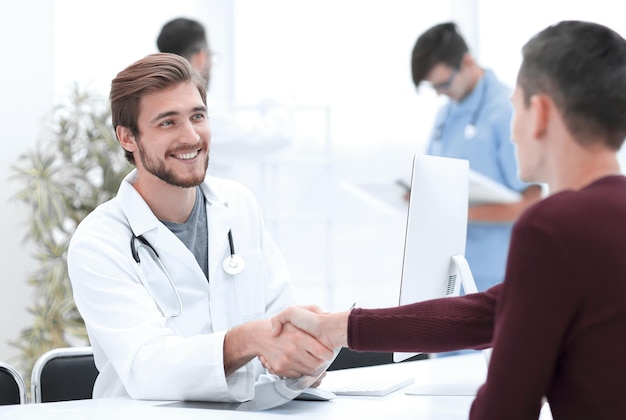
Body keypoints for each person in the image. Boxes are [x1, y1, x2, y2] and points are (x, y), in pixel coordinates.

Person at [270, 20, 626, 419]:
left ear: (539, 112)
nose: (511, 133)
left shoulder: (550, 227)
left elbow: (506, 406)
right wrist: (339, 326)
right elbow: (484, 314)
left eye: (516, 108)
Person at [67, 53, 332, 402]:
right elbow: (148, 368)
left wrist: (306, 356)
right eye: (167, 122)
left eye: (198, 116)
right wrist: (249, 339)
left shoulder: (238, 205)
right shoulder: (98, 242)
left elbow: (279, 326)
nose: (191, 136)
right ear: (128, 138)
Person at [411, 22, 542, 291]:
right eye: (433, 87)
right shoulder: (446, 114)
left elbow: (531, 202)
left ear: (467, 62)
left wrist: (459, 215)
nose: (440, 93)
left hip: (495, 274)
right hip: (448, 271)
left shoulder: (506, 111)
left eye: (444, 83)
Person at [156, 17, 294, 183]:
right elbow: (273, 135)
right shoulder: (202, 112)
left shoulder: (153, 107)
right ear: (201, 57)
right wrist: (279, 105)